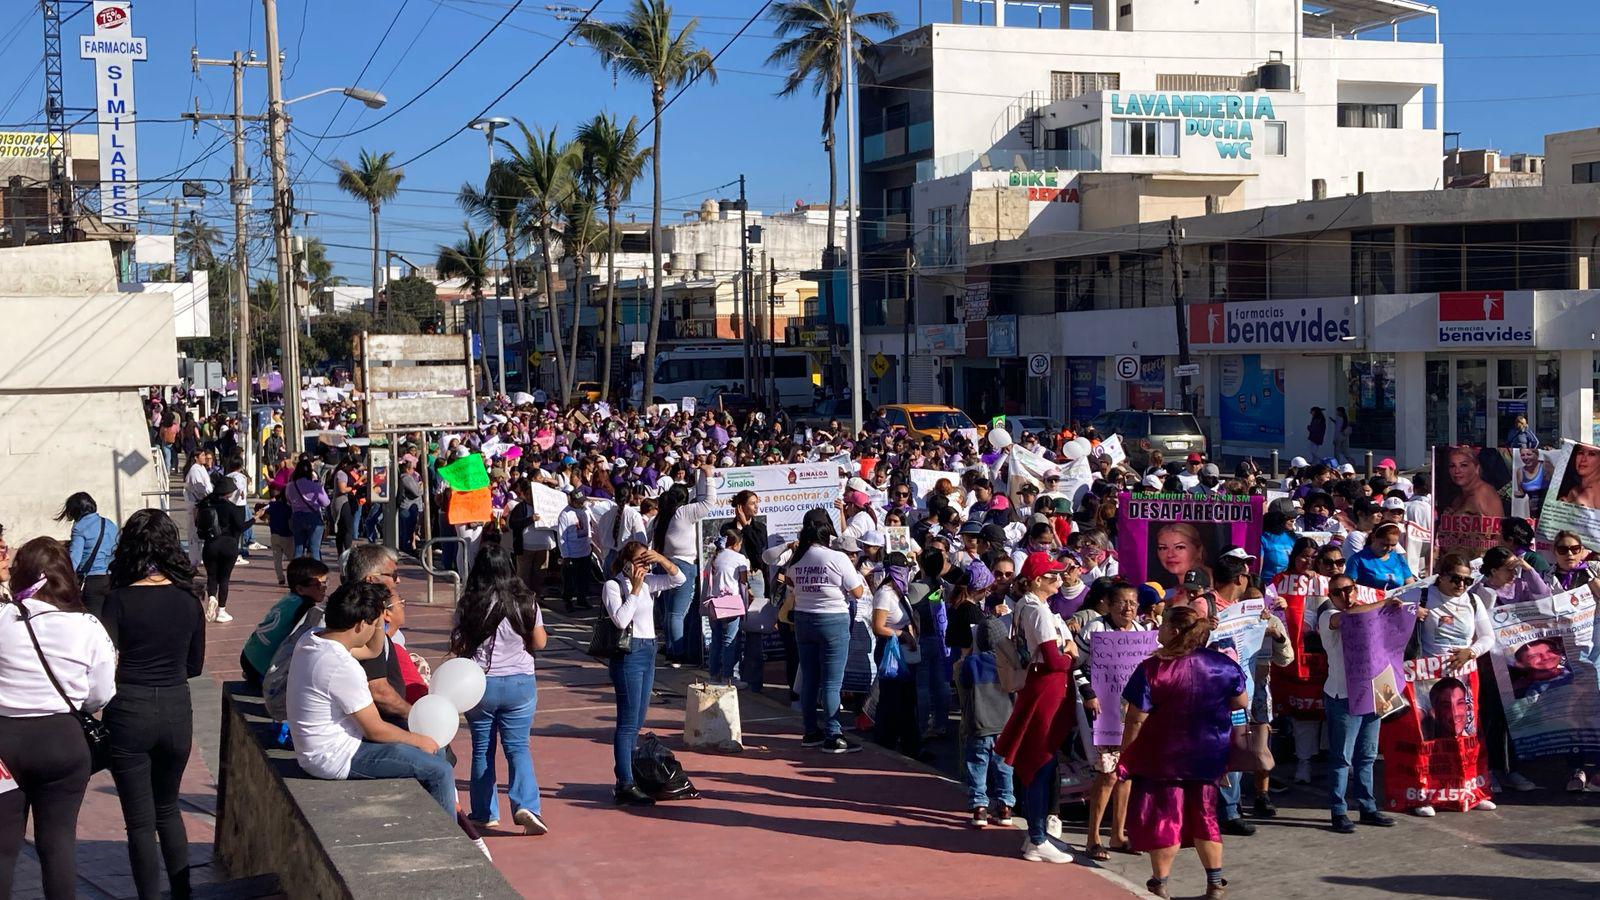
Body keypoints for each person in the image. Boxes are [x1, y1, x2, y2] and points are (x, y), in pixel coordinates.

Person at [0, 536, 116, 900]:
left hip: (4, 744)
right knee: (59, 843)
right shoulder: (87, 627)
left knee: (1, 849)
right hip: (62, 742)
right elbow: (102, 693)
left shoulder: (2, 618)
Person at [101, 509, 207, 900]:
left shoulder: (118, 600)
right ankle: (183, 893)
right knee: (169, 809)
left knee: (140, 824)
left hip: (129, 707)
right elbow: (194, 665)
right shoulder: (187, 600)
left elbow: (105, 664)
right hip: (177, 708)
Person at [285, 581, 455, 812]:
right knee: (439, 770)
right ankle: (448, 843)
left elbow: (373, 650)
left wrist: (375, 621)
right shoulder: (341, 666)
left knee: (426, 747)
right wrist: (419, 740)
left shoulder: (314, 638)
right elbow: (374, 729)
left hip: (317, 748)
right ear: (360, 625)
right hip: (335, 757)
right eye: (375, 621)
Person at [1120, 606, 1248, 900]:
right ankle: (1215, 884)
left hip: (1163, 754)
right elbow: (1241, 701)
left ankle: (1160, 883)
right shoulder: (1222, 664)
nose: (1159, 630)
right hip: (1209, 751)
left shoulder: (1153, 668)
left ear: (1175, 632)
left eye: (1163, 625)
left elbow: (1136, 716)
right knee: (1206, 815)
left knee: (1166, 816)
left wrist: (1126, 750)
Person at [451, 543, 550, 835]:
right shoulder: (526, 601)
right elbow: (540, 642)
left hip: (480, 684)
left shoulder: (469, 603)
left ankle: (484, 812)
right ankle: (526, 806)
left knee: (482, 749)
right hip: (520, 683)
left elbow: (458, 644)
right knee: (518, 747)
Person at [996, 552, 1078, 864]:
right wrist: (1070, 653)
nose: (1060, 579)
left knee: (1038, 761)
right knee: (1040, 762)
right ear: (1040, 580)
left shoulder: (1026, 606)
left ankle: (1037, 833)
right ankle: (1037, 837)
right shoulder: (1038, 611)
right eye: (1054, 575)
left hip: (1039, 686)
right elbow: (1054, 660)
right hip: (1046, 688)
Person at [1409, 554, 1497, 816]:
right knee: (1430, 735)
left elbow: (1488, 637)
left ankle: (1471, 789)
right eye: (1455, 578)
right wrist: (1411, 612)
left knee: (1467, 735)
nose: (1461, 584)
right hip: (1427, 678)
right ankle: (1424, 794)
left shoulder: (1473, 599)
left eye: (1467, 579)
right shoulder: (1421, 595)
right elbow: (1386, 609)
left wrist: (1470, 652)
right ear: (1440, 575)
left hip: (1464, 677)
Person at [602, 541, 684, 805]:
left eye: (646, 561)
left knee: (638, 720)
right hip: (629, 653)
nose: (644, 567)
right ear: (626, 562)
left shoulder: (649, 582)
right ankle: (624, 782)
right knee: (627, 722)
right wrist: (635, 590)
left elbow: (679, 579)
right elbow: (621, 620)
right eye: (640, 561)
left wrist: (660, 558)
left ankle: (628, 774)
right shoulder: (613, 586)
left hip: (649, 649)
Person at [1074, 582, 1150, 859]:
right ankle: (1093, 836)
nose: (1128, 608)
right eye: (1122, 603)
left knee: (1127, 773)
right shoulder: (1095, 629)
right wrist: (1088, 692)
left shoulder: (1143, 633)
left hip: (1134, 716)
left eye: (1133, 603)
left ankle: (1118, 834)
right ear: (1109, 603)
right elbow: (1077, 663)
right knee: (1107, 775)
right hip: (1103, 712)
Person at [1318, 574, 1398, 834]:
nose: (1345, 596)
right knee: (1342, 757)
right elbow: (1349, 618)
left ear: (1355, 589)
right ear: (1331, 596)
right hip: (1342, 695)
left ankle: (1367, 806)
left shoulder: (1368, 611)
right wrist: (1385, 603)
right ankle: (1338, 810)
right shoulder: (1327, 615)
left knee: (1368, 755)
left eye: (1349, 590)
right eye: (1338, 592)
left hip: (1372, 691)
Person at [788, 508, 867, 754]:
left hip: (803, 620)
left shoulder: (796, 559)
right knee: (832, 683)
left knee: (810, 679)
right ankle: (833, 735)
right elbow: (857, 592)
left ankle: (811, 731)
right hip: (833, 620)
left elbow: (790, 584)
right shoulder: (838, 558)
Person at [651, 463, 718, 666]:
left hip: (667, 563)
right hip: (683, 565)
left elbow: (698, 497)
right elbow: (709, 502)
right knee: (678, 613)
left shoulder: (664, 515)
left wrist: (700, 477)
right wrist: (709, 475)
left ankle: (672, 649)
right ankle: (677, 653)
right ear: (684, 500)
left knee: (671, 611)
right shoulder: (682, 513)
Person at [241, 557, 331, 689]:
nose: (323, 588)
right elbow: (305, 642)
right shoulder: (305, 608)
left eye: (325, 582)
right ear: (300, 589)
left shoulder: (289, 599)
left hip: (248, 656)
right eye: (317, 585)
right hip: (263, 667)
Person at [869, 551, 920, 757]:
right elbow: (878, 627)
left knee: (907, 699)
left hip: (904, 651)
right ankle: (885, 742)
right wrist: (902, 635)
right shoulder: (885, 594)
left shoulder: (900, 591)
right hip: (891, 650)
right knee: (891, 699)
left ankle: (910, 743)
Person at [57, 491, 118, 619]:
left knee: (93, 621)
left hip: (91, 582)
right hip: (110, 579)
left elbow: (75, 559)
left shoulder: (80, 527)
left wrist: (61, 579)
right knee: (108, 620)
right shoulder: (110, 524)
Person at [195, 472, 246, 623]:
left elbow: (198, 524)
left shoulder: (205, 504)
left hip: (210, 545)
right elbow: (239, 527)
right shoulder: (231, 507)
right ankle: (222, 611)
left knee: (212, 576)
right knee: (224, 578)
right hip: (228, 545)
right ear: (228, 492)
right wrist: (254, 519)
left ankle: (211, 598)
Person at [704, 524, 749, 685]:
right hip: (731, 604)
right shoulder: (739, 558)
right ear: (736, 543)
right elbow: (743, 582)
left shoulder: (714, 557)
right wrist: (746, 604)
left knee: (716, 640)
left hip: (714, 604)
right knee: (730, 640)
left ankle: (713, 675)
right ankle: (728, 677)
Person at [555, 489, 596, 614]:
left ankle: (581, 598)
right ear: (571, 501)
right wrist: (565, 555)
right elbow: (562, 537)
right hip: (572, 552)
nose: (580, 504)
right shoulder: (565, 514)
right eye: (578, 502)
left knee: (584, 578)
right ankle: (568, 601)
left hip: (585, 550)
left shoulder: (585, 511)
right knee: (570, 580)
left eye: (581, 502)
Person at [285, 456, 332, 560]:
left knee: (298, 547)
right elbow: (326, 502)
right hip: (313, 517)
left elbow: (288, 501)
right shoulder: (315, 486)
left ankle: (296, 571)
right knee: (314, 548)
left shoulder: (290, 486)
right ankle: (315, 572)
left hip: (297, 516)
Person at [1344, 523, 1414, 590]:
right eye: (1385, 544)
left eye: (1393, 545)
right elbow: (1349, 588)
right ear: (1373, 538)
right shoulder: (1357, 560)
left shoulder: (1399, 558)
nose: (1389, 549)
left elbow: (1411, 585)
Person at [1442, 446, 1504, 519]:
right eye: (1452, 466)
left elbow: (1499, 527)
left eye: (1463, 465)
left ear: (1476, 468)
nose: (1457, 471)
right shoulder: (1457, 499)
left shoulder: (1484, 492)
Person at [1154, 522, 1210, 591]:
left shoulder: (1213, 587)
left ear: (1198, 550)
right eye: (1163, 548)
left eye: (1179, 547)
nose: (1170, 555)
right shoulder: (1170, 592)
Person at [183, 447, 213, 568]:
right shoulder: (194, 470)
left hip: (203, 503)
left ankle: (198, 559)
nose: (204, 457)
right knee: (194, 534)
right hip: (196, 504)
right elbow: (200, 489)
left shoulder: (202, 468)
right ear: (196, 457)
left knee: (200, 533)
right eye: (202, 455)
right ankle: (194, 560)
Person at [1555, 442, 1600, 507]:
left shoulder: (1593, 492)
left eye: (1591, 454)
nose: (1583, 459)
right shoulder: (1574, 490)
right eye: (1581, 453)